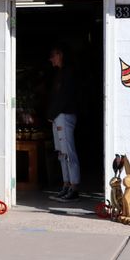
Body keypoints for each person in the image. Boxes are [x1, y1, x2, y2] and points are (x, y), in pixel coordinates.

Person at [47, 45, 80, 201]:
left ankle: (74, 187)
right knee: (61, 153)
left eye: (53, 56)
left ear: (60, 54)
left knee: (68, 152)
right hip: (58, 116)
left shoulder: (68, 72)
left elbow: (64, 96)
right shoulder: (59, 73)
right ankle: (66, 184)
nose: (51, 59)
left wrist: (52, 113)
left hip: (65, 115)